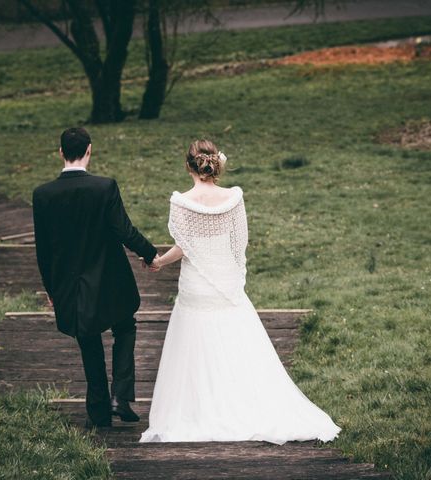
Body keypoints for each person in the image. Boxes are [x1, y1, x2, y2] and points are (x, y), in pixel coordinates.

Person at [139, 139, 341, 444]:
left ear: (188, 166)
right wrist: (230, 275)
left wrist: (158, 262)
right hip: (226, 283)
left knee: (194, 349)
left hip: (195, 286)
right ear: (215, 163)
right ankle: (241, 401)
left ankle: (199, 410)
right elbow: (239, 243)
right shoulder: (233, 198)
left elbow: (183, 246)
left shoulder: (181, 202)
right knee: (237, 343)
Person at [32, 127, 159, 428]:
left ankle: (99, 410)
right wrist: (150, 254)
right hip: (110, 278)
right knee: (125, 325)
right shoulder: (104, 187)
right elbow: (123, 230)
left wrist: (51, 288)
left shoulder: (43, 195)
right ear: (90, 150)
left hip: (71, 285)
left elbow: (43, 249)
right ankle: (121, 395)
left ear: (60, 152)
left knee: (87, 340)